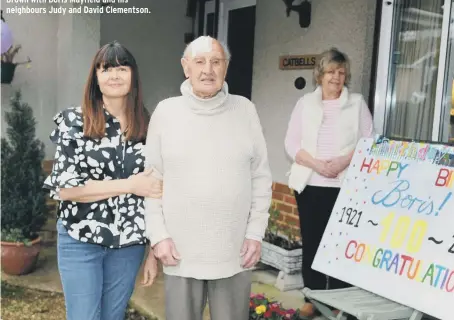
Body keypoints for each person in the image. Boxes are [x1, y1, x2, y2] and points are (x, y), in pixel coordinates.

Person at [143, 36, 272, 320]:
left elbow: (261, 177)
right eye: (199, 62)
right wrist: (158, 236)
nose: (208, 70)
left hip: (234, 251)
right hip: (180, 251)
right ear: (185, 67)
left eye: (216, 62)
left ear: (226, 67)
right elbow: (152, 181)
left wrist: (255, 232)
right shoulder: (166, 112)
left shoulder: (245, 110)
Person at [43, 41, 160, 320]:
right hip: (80, 239)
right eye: (106, 69)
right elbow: (67, 189)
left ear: (134, 75)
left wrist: (154, 250)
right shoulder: (74, 121)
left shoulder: (150, 124)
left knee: (113, 316)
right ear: (95, 77)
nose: (115, 75)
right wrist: (130, 185)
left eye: (122, 68)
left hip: (129, 245)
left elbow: (157, 190)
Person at [284, 47, 374, 318]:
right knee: (312, 241)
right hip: (310, 184)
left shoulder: (357, 103)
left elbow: (368, 141)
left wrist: (343, 162)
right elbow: (291, 143)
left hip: (344, 186)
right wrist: (317, 164)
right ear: (320, 75)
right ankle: (313, 297)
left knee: (339, 243)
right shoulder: (305, 103)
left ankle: (338, 300)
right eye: (331, 71)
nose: (336, 77)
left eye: (341, 72)